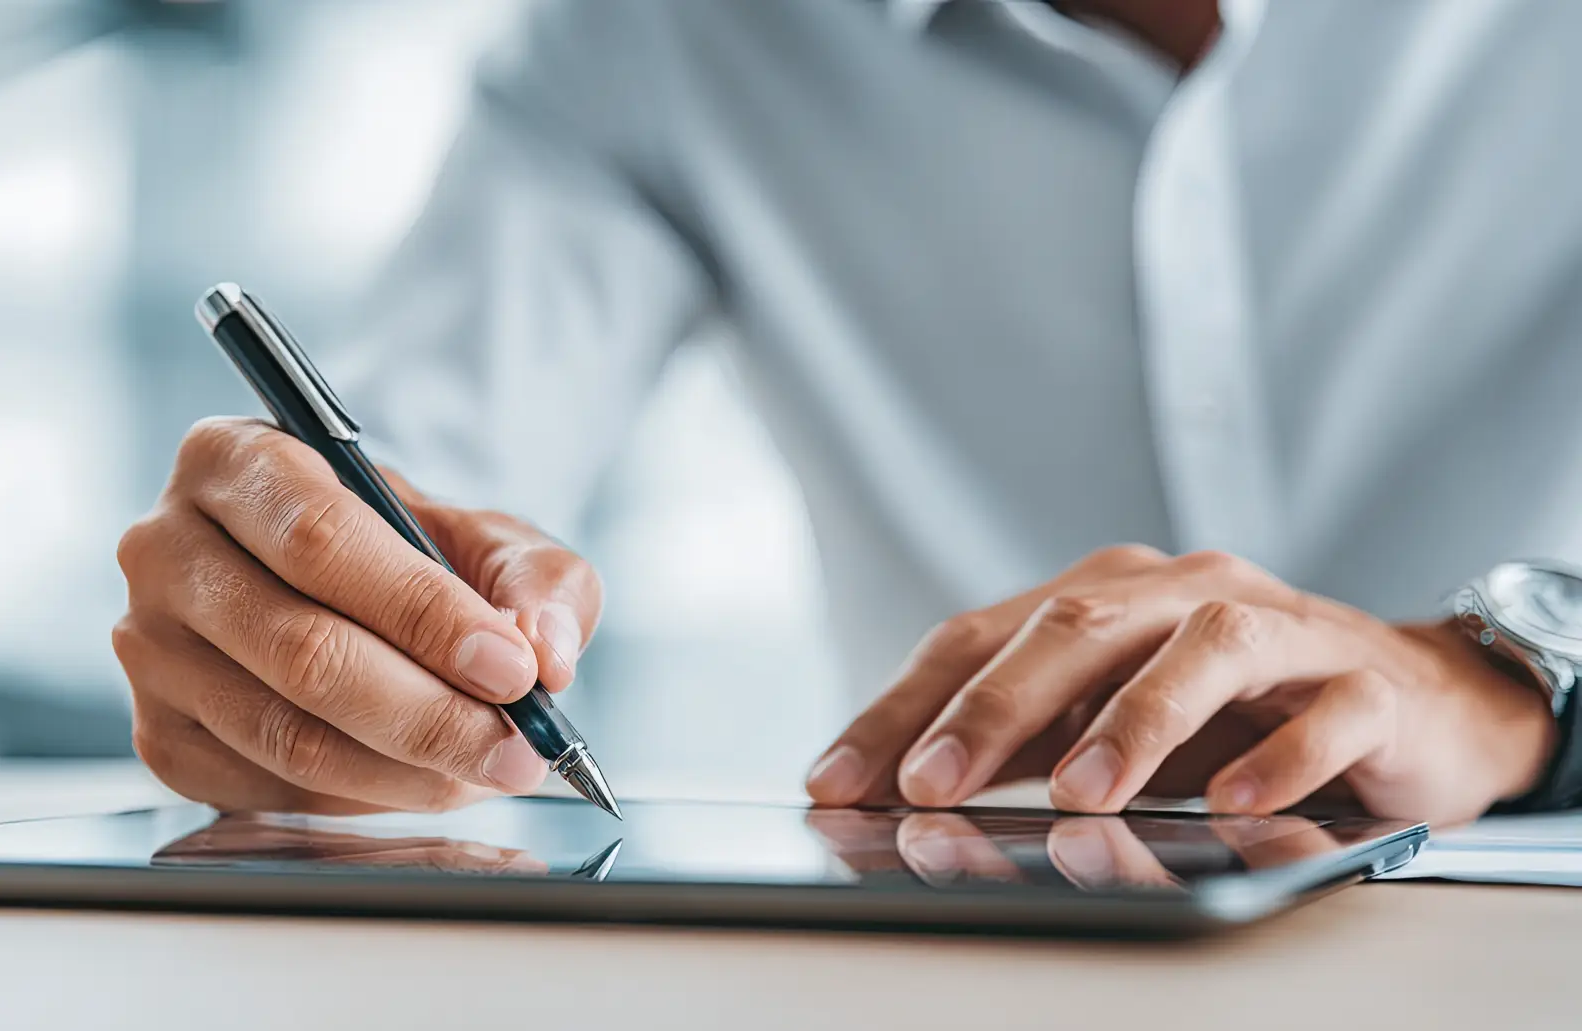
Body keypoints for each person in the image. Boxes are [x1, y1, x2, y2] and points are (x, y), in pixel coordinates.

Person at [113, 0, 1582, 829]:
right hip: (965, 985)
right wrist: (301, 619)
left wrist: (1517, 681)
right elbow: (415, 486)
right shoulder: (659, 39)